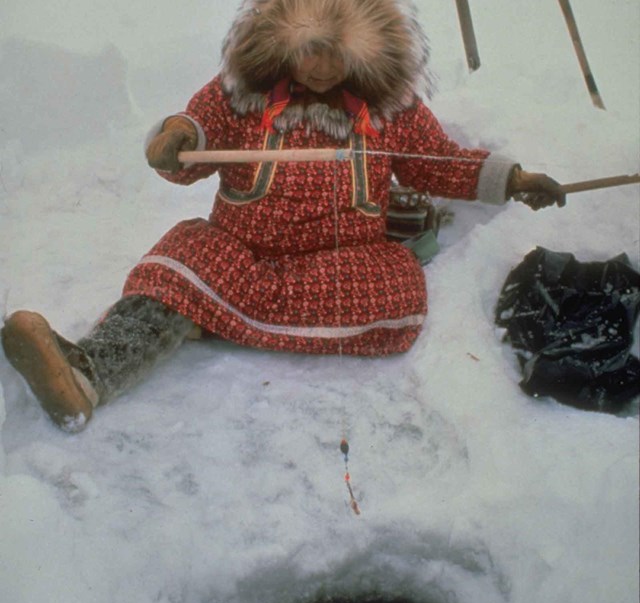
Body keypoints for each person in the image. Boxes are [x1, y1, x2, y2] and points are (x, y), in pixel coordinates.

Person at [1, 0, 565, 432]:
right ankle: (86, 376)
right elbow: (194, 139)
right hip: (240, 255)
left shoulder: (392, 109)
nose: (321, 66)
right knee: (179, 257)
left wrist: (512, 180)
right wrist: (174, 139)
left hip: (339, 266)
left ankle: (209, 313)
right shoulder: (240, 95)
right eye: (309, 49)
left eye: (336, 50)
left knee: (398, 286)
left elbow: (438, 164)